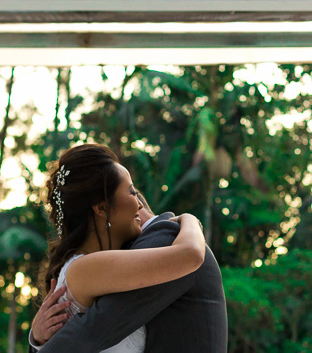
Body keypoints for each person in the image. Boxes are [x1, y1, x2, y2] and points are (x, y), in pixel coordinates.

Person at [29, 144, 228, 352]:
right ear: (102, 207)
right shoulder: (85, 268)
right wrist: (190, 219)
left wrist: (36, 339)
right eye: (133, 192)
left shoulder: (88, 269)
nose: (140, 204)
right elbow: (192, 255)